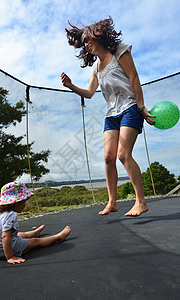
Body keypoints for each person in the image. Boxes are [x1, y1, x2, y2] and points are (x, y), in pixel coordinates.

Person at [61, 17, 156, 217]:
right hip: (111, 115)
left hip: (130, 108)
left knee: (123, 154)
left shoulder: (119, 50)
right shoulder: (95, 67)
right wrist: (70, 86)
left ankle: (141, 202)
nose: (86, 45)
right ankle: (112, 202)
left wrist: (141, 107)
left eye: (88, 40)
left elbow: (134, 77)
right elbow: (89, 92)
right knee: (108, 158)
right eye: (83, 43)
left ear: (97, 36)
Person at [0, 181, 71, 264]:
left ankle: (34, 232)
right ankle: (59, 237)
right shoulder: (11, 215)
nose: (25, 204)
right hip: (4, 252)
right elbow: (5, 236)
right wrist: (10, 257)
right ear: (15, 203)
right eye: (24, 201)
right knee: (35, 241)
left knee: (18, 234)